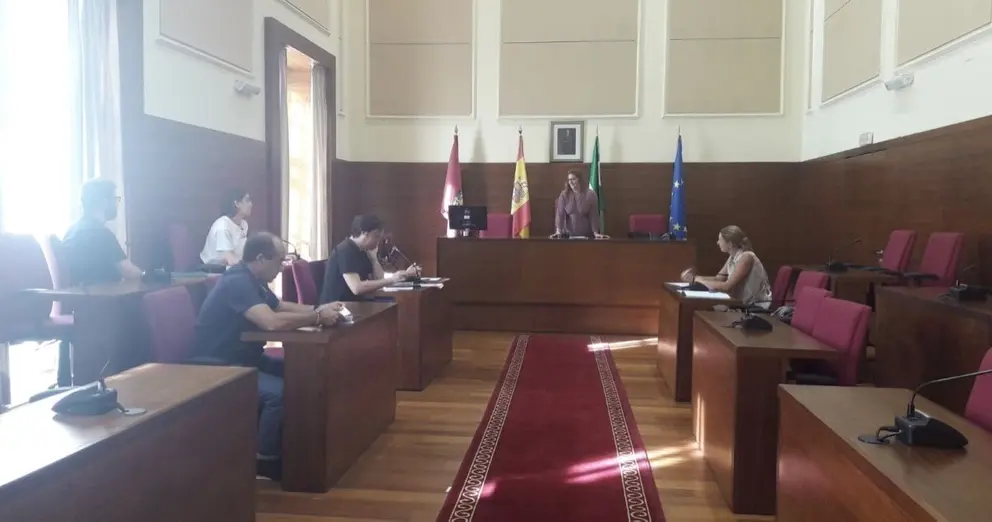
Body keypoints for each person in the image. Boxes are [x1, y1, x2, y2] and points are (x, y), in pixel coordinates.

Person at [192, 232, 344, 480]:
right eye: (279, 261)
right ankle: (264, 461)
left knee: (302, 378)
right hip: (220, 364)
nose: (282, 267)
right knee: (279, 394)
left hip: (246, 356)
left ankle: (299, 446)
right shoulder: (237, 282)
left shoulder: (253, 279)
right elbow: (270, 322)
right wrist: (317, 317)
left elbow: (279, 306)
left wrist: (318, 308)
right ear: (261, 259)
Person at [319, 214, 420, 304]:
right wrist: (393, 279)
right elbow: (357, 288)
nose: (378, 241)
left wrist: (374, 259)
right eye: (376, 237)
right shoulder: (346, 250)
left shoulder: (363, 250)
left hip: (356, 303)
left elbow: (379, 280)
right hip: (338, 307)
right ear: (364, 234)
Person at [62, 178, 143, 286]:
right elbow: (128, 271)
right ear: (105, 202)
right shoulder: (100, 234)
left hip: (79, 294)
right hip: (101, 294)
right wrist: (148, 276)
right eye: (115, 199)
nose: (117, 204)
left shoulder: (71, 230)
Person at [681, 225, 773, 307]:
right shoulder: (732, 256)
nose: (717, 242)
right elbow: (718, 279)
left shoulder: (746, 257)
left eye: (720, 240)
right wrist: (694, 278)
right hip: (741, 303)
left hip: (755, 306)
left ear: (730, 244)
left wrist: (698, 280)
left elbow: (727, 286)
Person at [200, 188, 251, 267]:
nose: (251, 204)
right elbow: (229, 259)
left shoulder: (244, 224)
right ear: (237, 203)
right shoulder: (222, 226)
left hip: (234, 268)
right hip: (213, 269)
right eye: (247, 200)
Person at [553, 170, 607, 239]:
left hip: (586, 235)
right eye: (569, 180)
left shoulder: (590, 195)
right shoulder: (564, 195)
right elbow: (560, 214)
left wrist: (595, 232)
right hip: (567, 235)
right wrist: (558, 231)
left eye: (573, 179)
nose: (571, 182)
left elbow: (593, 215)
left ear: (580, 180)